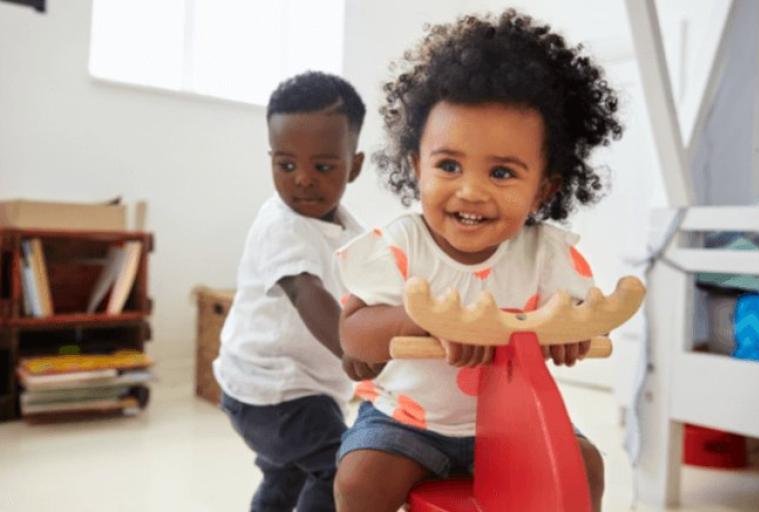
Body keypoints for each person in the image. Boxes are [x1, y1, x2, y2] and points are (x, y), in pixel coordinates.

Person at [332, 9, 623, 512]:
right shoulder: (402, 244)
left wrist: (572, 332)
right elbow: (353, 333)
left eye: (503, 173)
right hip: (409, 422)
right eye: (448, 165)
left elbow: (578, 315)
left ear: (545, 187)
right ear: (415, 166)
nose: (470, 191)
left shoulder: (546, 253)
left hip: (514, 421)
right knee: (359, 481)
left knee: (584, 466)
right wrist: (426, 322)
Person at [213, 70, 379, 512]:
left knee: (286, 472)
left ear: (355, 166)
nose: (302, 179)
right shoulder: (281, 226)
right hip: (270, 391)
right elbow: (306, 293)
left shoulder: (349, 228)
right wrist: (352, 347)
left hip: (299, 387)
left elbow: (376, 280)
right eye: (285, 165)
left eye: (322, 167)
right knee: (340, 468)